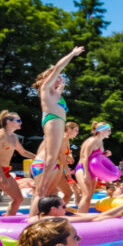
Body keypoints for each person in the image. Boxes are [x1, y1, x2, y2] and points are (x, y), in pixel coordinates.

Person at [27, 46, 85, 218]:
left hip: (57, 123)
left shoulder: (55, 94)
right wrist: (72, 54)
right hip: (52, 121)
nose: (59, 77)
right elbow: (58, 67)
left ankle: (40, 217)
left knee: (48, 191)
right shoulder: (45, 88)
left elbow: (60, 86)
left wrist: (62, 84)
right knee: (43, 188)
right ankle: (30, 222)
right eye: (55, 76)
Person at [73, 122, 113, 217]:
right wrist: (86, 174)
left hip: (92, 170)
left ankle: (84, 217)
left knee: (89, 197)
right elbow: (85, 157)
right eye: (108, 130)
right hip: (83, 168)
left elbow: (93, 157)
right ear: (101, 131)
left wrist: (104, 154)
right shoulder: (92, 141)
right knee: (86, 195)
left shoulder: (100, 141)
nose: (110, 132)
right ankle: (79, 218)